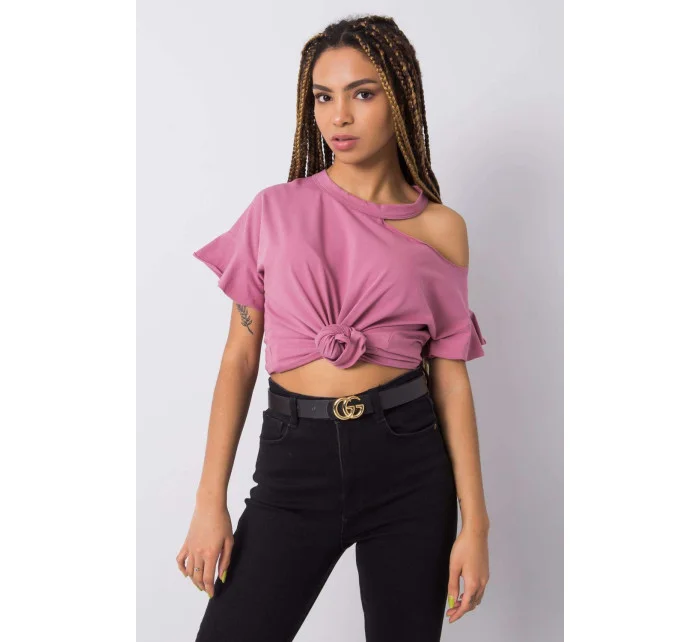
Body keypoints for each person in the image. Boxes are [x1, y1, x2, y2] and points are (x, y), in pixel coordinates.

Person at [176, 14, 490, 641]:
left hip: (409, 466)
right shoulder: (275, 210)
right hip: (295, 461)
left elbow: (450, 379)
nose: (338, 116)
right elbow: (240, 359)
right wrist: (209, 502)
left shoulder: (442, 228)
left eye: (362, 93)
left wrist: (475, 524)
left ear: (400, 98)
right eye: (323, 96)